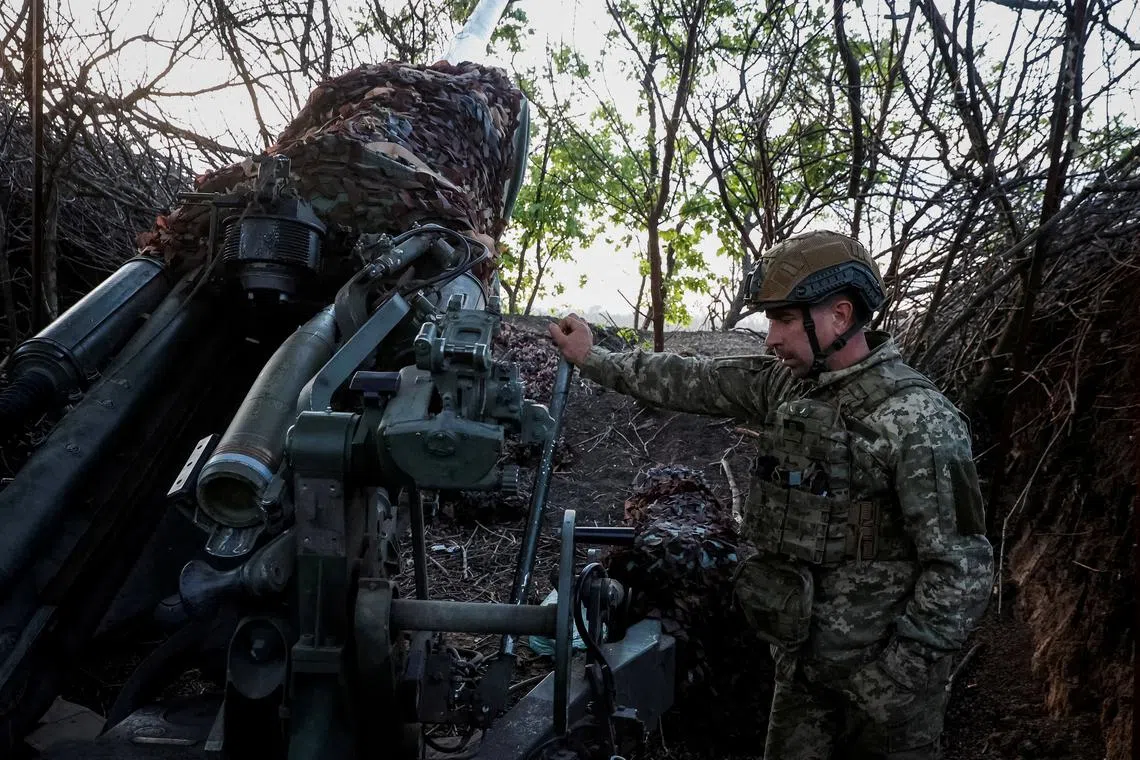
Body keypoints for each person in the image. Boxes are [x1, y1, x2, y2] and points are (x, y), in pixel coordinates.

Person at [547, 230, 993, 759]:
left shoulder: (918, 422)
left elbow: (962, 568)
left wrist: (894, 677)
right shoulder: (786, 386)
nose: (771, 338)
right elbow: (692, 380)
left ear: (840, 316)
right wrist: (594, 357)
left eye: (783, 319)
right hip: (801, 670)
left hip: (886, 695)